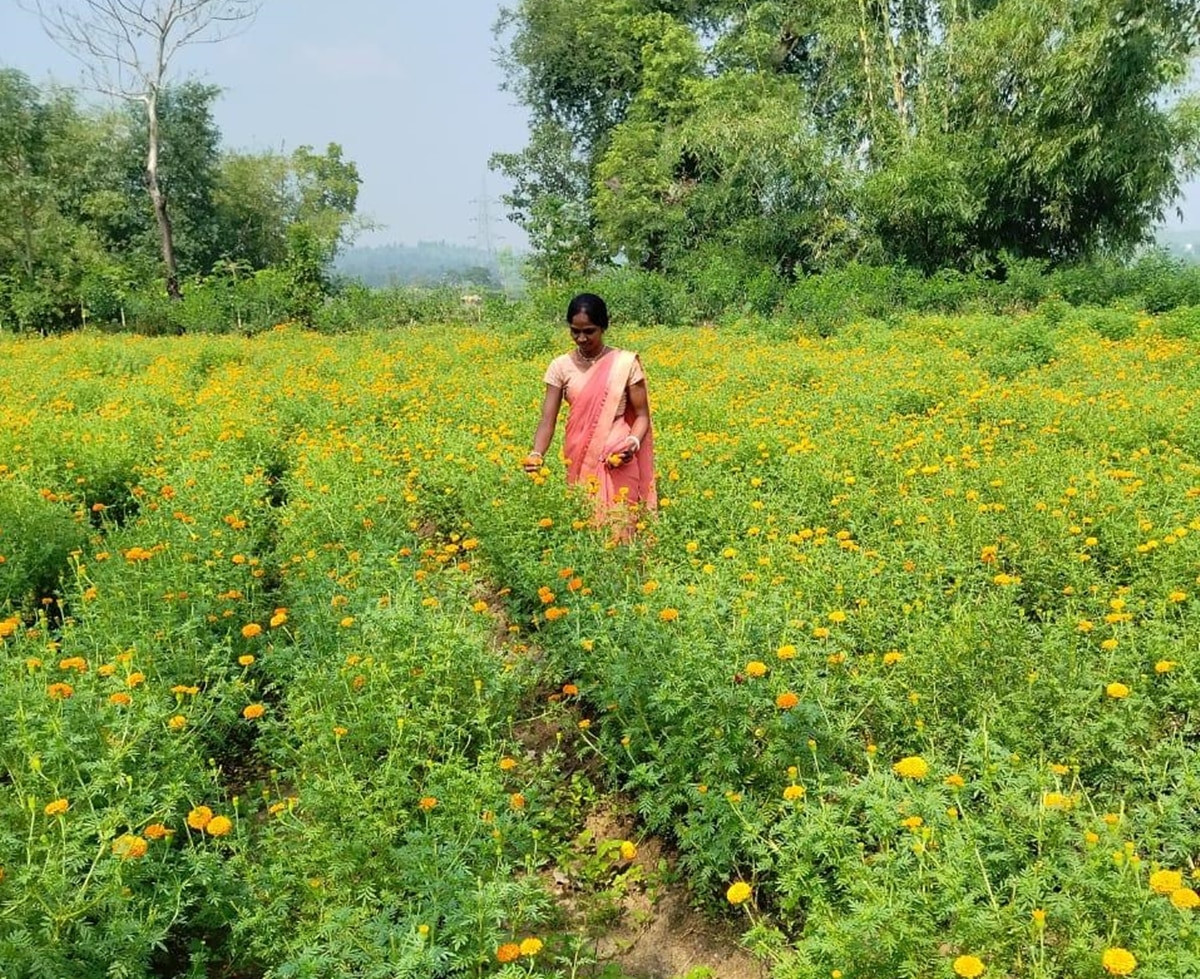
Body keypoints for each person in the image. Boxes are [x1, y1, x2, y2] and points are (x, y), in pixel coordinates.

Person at [523, 293, 656, 533]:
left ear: (604, 326)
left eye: (589, 331)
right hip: (579, 454)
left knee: (622, 525)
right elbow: (547, 420)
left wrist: (632, 443)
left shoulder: (625, 363)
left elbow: (642, 416)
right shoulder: (560, 366)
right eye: (575, 331)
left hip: (619, 457)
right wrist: (536, 454)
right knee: (585, 524)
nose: (581, 338)